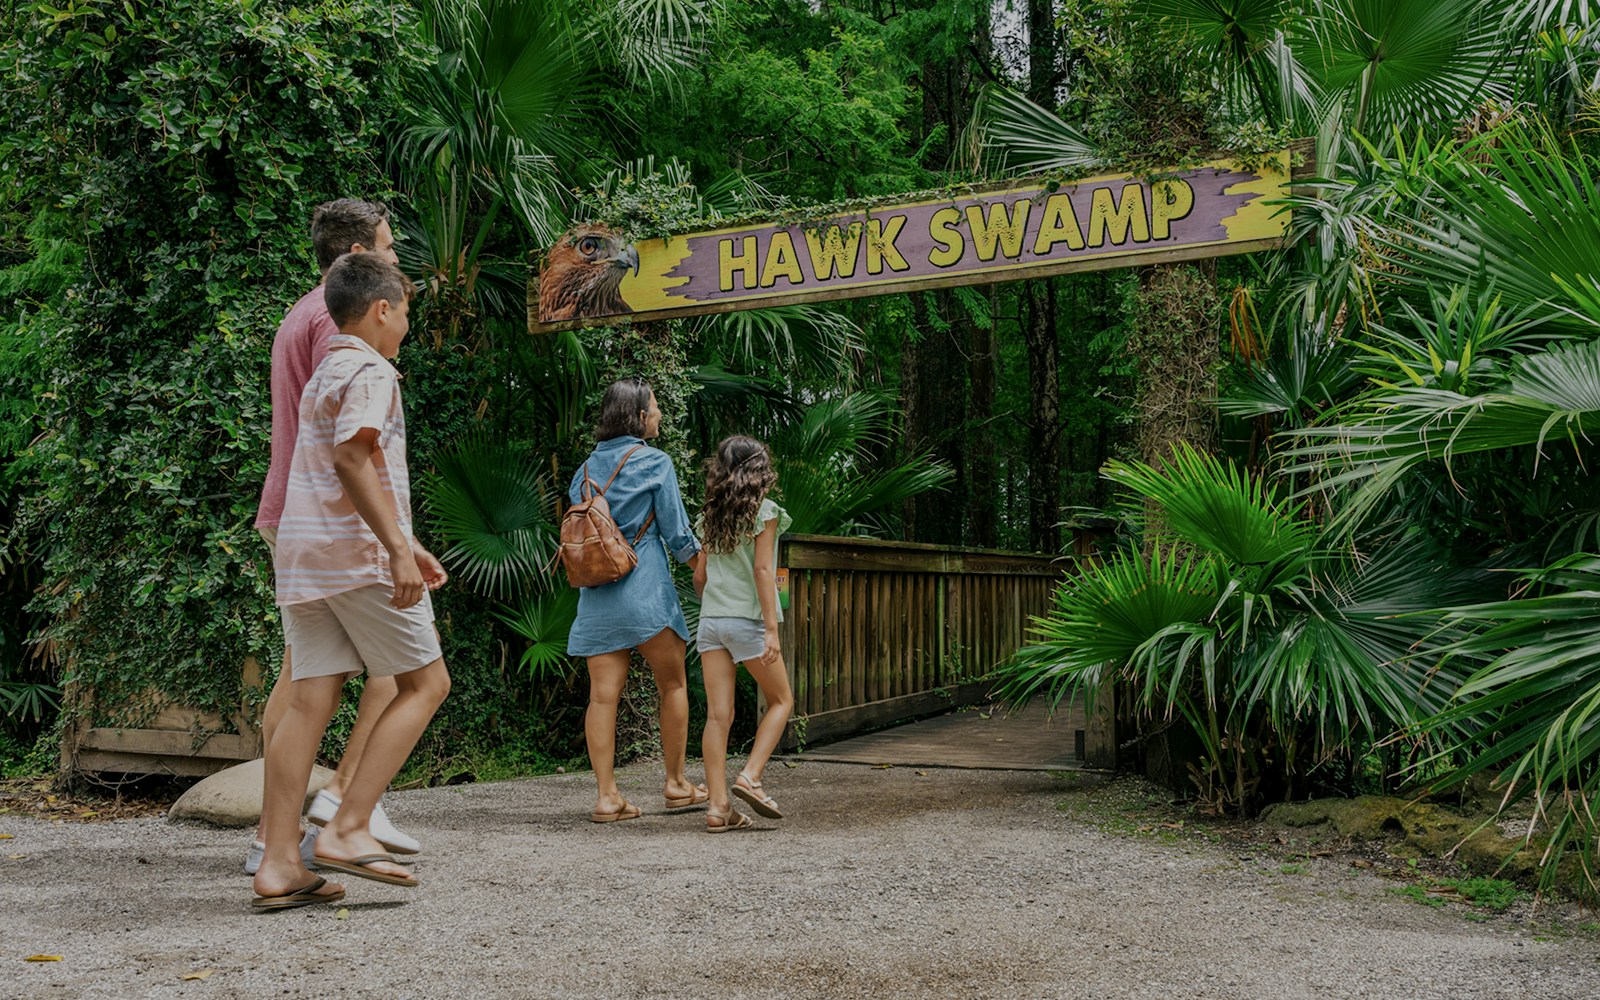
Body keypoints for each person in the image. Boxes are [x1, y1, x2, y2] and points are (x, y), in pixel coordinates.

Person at [251, 252, 451, 910]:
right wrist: (396, 550)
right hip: (354, 557)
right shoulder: (370, 368)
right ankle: (348, 823)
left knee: (309, 702)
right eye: (406, 315)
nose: (407, 329)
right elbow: (352, 456)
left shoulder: (326, 369)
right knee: (427, 682)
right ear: (381, 309)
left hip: (305, 557)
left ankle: (280, 863)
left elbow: (344, 469)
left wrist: (408, 544)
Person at [566, 378, 706, 823]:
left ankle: (607, 796)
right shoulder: (655, 462)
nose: (661, 415)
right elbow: (678, 535)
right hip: (646, 594)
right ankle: (676, 783)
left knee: (602, 698)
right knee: (674, 685)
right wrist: (704, 572)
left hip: (598, 597)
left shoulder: (584, 471)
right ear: (640, 417)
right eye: (656, 408)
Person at [693, 435, 795, 833]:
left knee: (718, 716)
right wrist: (771, 629)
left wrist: (713, 604)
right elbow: (763, 571)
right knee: (782, 700)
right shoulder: (764, 511)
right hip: (747, 621)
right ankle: (750, 776)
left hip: (711, 621)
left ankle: (718, 808)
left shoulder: (708, 515)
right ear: (759, 469)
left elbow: (700, 575)